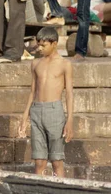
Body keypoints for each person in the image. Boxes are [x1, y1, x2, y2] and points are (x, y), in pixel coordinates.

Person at [18, 27, 74, 177]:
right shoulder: (35, 63)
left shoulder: (64, 64)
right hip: (36, 111)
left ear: (54, 43)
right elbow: (32, 91)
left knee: (57, 160)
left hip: (54, 111)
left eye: (44, 45)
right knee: (39, 161)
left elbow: (69, 93)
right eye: (39, 45)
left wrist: (69, 120)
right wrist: (24, 116)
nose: (40, 48)